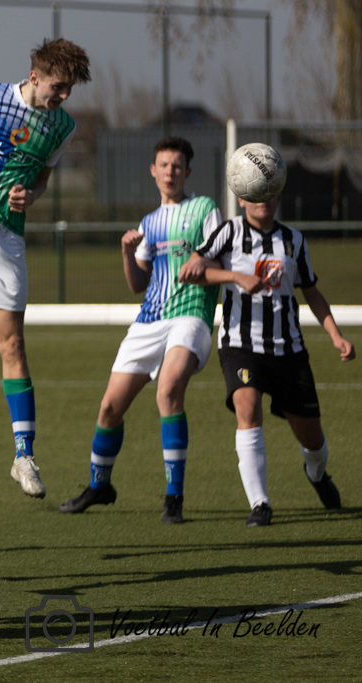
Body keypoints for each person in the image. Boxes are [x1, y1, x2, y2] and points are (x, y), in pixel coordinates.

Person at [0, 37, 91, 498]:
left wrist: (32, 195)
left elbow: (42, 178)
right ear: (34, 76)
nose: (62, 96)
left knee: (12, 344)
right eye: (57, 86)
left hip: (6, 232)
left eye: (68, 89)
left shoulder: (63, 126)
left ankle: (23, 456)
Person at [58, 138, 222, 524]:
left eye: (177, 166)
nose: (170, 172)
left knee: (168, 391)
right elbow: (137, 284)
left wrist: (201, 259)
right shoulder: (149, 222)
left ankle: (173, 499)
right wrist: (126, 252)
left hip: (191, 315)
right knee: (109, 408)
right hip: (149, 320)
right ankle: (99, 486)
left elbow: (219, 256)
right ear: (153, 171)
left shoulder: (205, 208)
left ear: (187, 171)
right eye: (164, 165)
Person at [179, 190, 354, 526]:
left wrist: (336, 336)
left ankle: (317, 474)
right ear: (242, 200)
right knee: (247, 408)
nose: (263, 200)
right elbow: (191, 270)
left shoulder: (294, 240)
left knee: (312, 440)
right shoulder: (229, 232)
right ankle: (260, 504)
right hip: (240, 345)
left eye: (270, 193)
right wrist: (234, 275)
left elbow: (311, 291)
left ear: (278, 198)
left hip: (289, 350)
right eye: (255, 194)